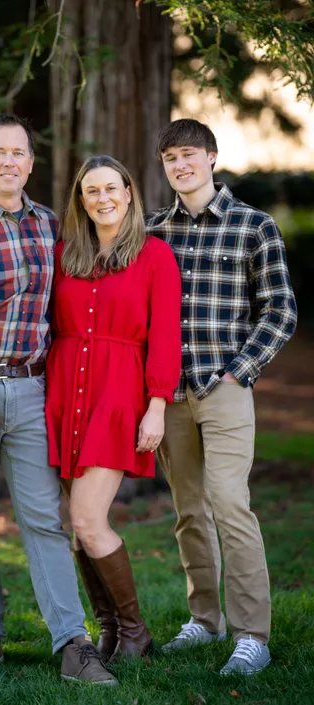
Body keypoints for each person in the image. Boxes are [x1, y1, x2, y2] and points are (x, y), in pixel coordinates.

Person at [0, 114, 116, 685]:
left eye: (20, 153)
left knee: (45, 520)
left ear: (31, 163)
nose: (10, 161)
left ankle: (73, 643)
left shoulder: (50, 225)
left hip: (33, 388)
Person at [146, 118, 297, 676]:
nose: (179, 165)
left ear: (211, 157)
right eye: (169, 158)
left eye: (188, 154)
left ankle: (252, 634)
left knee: (230, 505)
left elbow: (280, 309)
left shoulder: (252, 226)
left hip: (227, 386)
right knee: (189, 511)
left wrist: (241, 371)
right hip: (170, 394)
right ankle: (205, 620)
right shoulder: (152, 230)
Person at [45, 155, 182, 663]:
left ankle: (134, 630)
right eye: (91, 191)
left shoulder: (154, 256)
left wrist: (157, 406)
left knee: (86, 516)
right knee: (77, 523)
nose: (102, 199)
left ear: (129, 193)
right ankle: (109, 631)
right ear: (81, 201)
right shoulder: (66, 254)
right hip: (63, 395)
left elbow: (166, 337)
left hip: (118, 397)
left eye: (111, 189)